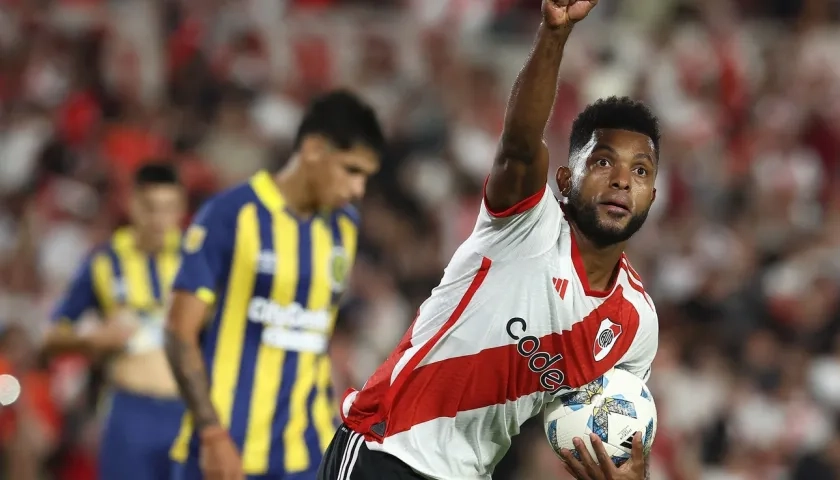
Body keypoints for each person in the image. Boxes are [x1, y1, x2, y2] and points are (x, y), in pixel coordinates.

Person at [317, 1, 659, 480]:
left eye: (640, 171)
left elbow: (613, 433)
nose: (623, 180)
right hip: (388, 449)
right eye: (603, 163)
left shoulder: (635, 325)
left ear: (653, 194)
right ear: (564, 178)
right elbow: (520, 145)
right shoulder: (526, 222)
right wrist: (554, 34)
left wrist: (629, 475)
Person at [165, 90, 385, 480]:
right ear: (314, 148)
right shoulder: (231, 214)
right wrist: (213, 436)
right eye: (351, 170)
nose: (358, 190)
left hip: (306, 454)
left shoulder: (344, 226)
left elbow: (317, 332)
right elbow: (179, 332)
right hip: (225, 453)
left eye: (366, 177)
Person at [45, 163, 187, 480]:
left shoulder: (199, 259)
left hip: (188, 410)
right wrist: (93, 340)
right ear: (133, 204)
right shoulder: (104, 261)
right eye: (151, 208)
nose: (161, 220)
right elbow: (52, 336)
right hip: (129, 409)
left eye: (170, 209)